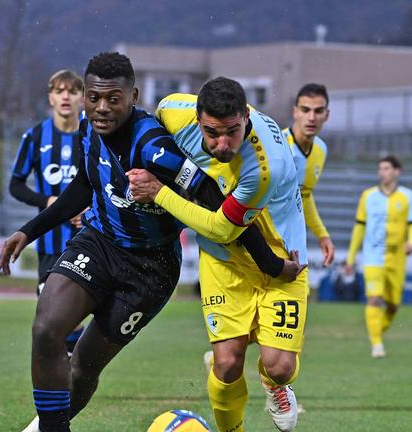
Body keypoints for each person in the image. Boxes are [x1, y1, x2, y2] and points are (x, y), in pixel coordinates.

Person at [0, 53, 299, 432]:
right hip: (99, 242)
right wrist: (29, 231)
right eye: (94, 98)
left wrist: (271, 265)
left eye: (113, 99)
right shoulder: (88, 129)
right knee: (46, 328)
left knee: (85, 365)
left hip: (149, 270)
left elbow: (217, 204)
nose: (102, 108)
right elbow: (84, 186)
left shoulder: (156, 147)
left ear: (133, 96)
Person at [128, 78, 308, 432]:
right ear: (197, 119)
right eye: (211, 133)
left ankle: (276, 385)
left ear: (246, 118)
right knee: (226, 364)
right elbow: (145, 129)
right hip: (224, 262)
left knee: (279, 366)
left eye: (232, 132)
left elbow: (223, 229)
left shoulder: (261, 167)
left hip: (280, 260)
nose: (222, 144)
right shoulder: (172, 111)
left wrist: (160, 193)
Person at [10, 69, 86, 353]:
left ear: (81, 98)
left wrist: (89, 206)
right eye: (59, 90)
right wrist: (47, 202)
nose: (66, 96)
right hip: (50, 239)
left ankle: (73, 359)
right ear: (50, 98)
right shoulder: (35, 137)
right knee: (51, 304)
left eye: (72, 90)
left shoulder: (94, 134)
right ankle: (69, 361)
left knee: (81, 306)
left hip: (89, 236)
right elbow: (15, 185)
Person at [345, 155, 412, 358]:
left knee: (394, 305)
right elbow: (359, 228)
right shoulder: (368, 196)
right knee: (374, 298)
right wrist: (351, 258)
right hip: (373, 257)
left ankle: (376, 333)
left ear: (397, 171)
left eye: (387, 168)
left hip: (397, 259)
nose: (383, 172)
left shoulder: (408, 196)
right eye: (380, 169)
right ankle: (377, 344)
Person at [283, 83, 334, 267]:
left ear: (326, 115)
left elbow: (304, 195)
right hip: (267, 242)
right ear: (295, 112)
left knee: (300, 296)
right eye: (305, 110)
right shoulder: (278, 146)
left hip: (295, 242)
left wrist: (322, 235)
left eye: (318, 111)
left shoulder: (321, 149)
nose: (311, 117)